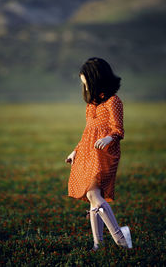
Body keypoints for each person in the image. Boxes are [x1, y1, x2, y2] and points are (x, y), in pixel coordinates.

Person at [65, 57, 132, 252]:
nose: (83, 84)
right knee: (93, 196)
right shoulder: (91, 105)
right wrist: (75, 151)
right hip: (87, 154)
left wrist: (109, 139)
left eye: (85, 80)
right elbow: (87, 133)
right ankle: (98, 244)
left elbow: (118, 130)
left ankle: (121, 239)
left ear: (95, 78)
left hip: (105, 154)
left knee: (94, 194)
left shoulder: (113, 101)